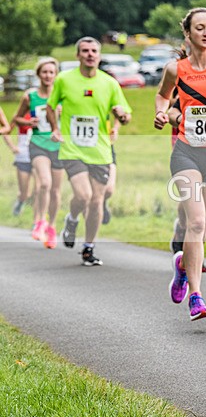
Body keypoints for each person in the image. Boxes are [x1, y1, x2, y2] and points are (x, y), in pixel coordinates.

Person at [155, 7, 206, 321]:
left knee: (202, 230)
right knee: (196, 223)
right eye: (200, 28)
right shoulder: (175, 69)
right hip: (187, 152)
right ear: (187, 33)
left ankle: (181, 265)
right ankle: (197, 297)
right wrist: (164, 113)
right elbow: (163, 97)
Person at [47, 36, 132, 266]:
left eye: (94, 51)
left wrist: (122, 116)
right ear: (78, 55)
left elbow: (125, 113)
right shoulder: (64, 80)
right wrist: (55, 128)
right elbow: (50, 106)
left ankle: (89, 246)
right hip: (72, 149)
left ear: (100, 55)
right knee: (83, 195)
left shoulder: (109, 83)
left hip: (100, 151)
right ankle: (73, 218)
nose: (90, 54)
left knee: (96, 201)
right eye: (85, 51)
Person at [12, 57, 64, 248]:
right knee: (44, 183)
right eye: (44, 72)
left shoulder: (62, 97)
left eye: (51, 72)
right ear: (38, 74)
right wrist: (28, 122)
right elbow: (16, 118)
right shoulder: (30, 96)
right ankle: (40, 220)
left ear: (55, 75)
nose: (48, 76)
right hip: (37, 143)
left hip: (58, 146)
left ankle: (51, 226)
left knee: (56, 190)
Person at [4, 112, 33, 217]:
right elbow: (6, 131)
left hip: (40, 156)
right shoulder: (20, 115)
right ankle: (20, 202)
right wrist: (13, 147)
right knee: (25, 193)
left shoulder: (44, 110)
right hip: (23, 157)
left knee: (41, 187)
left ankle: (38, 220)